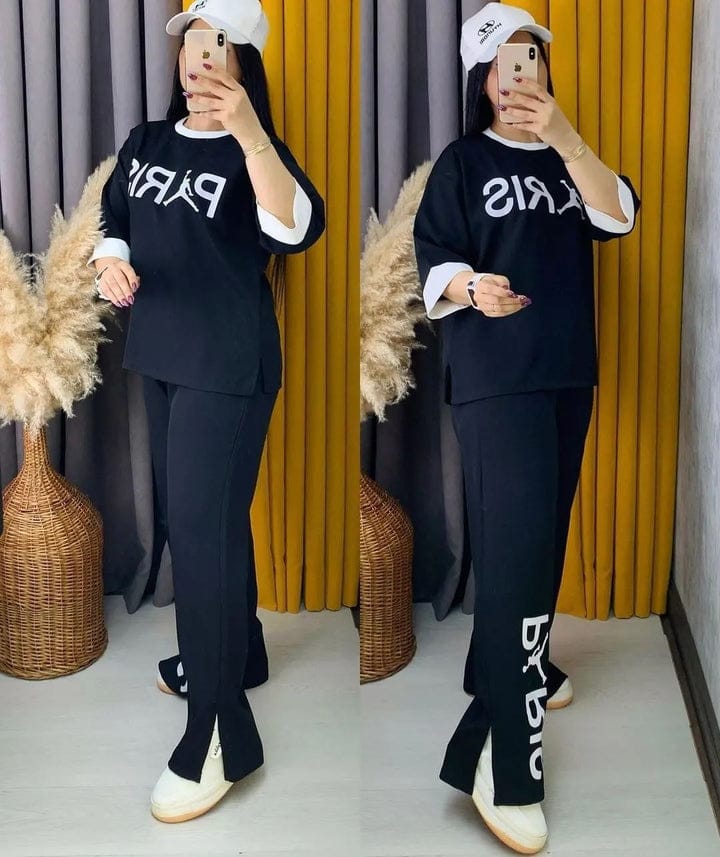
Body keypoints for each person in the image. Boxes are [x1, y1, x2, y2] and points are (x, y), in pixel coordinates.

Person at [87, 0, 324, 824]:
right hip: (158, 355)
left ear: (243, 61)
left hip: (228, 366)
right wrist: (109, 262)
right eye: (190, 41)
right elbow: (115, 217)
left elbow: (298, 230)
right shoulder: (147, 142)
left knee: (201, 533)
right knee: (205, 525)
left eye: (218, 43)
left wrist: (251, 133)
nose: (200, 55)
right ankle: (239, 654)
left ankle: (219, 733)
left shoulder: (258, 152)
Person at [413, 3, 640, 853]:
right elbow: (433, 254)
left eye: (533, 59)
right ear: (483, 80)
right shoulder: (462, 162)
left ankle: (517, 663)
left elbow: (618, 216)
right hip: (494, 379)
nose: (522, 76)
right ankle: (507, 761)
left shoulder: (568, 158)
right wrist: (471, 288)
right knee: (513, 548)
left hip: (566, 372)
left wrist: (567, 138)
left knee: (543, 540)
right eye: (506, 63)